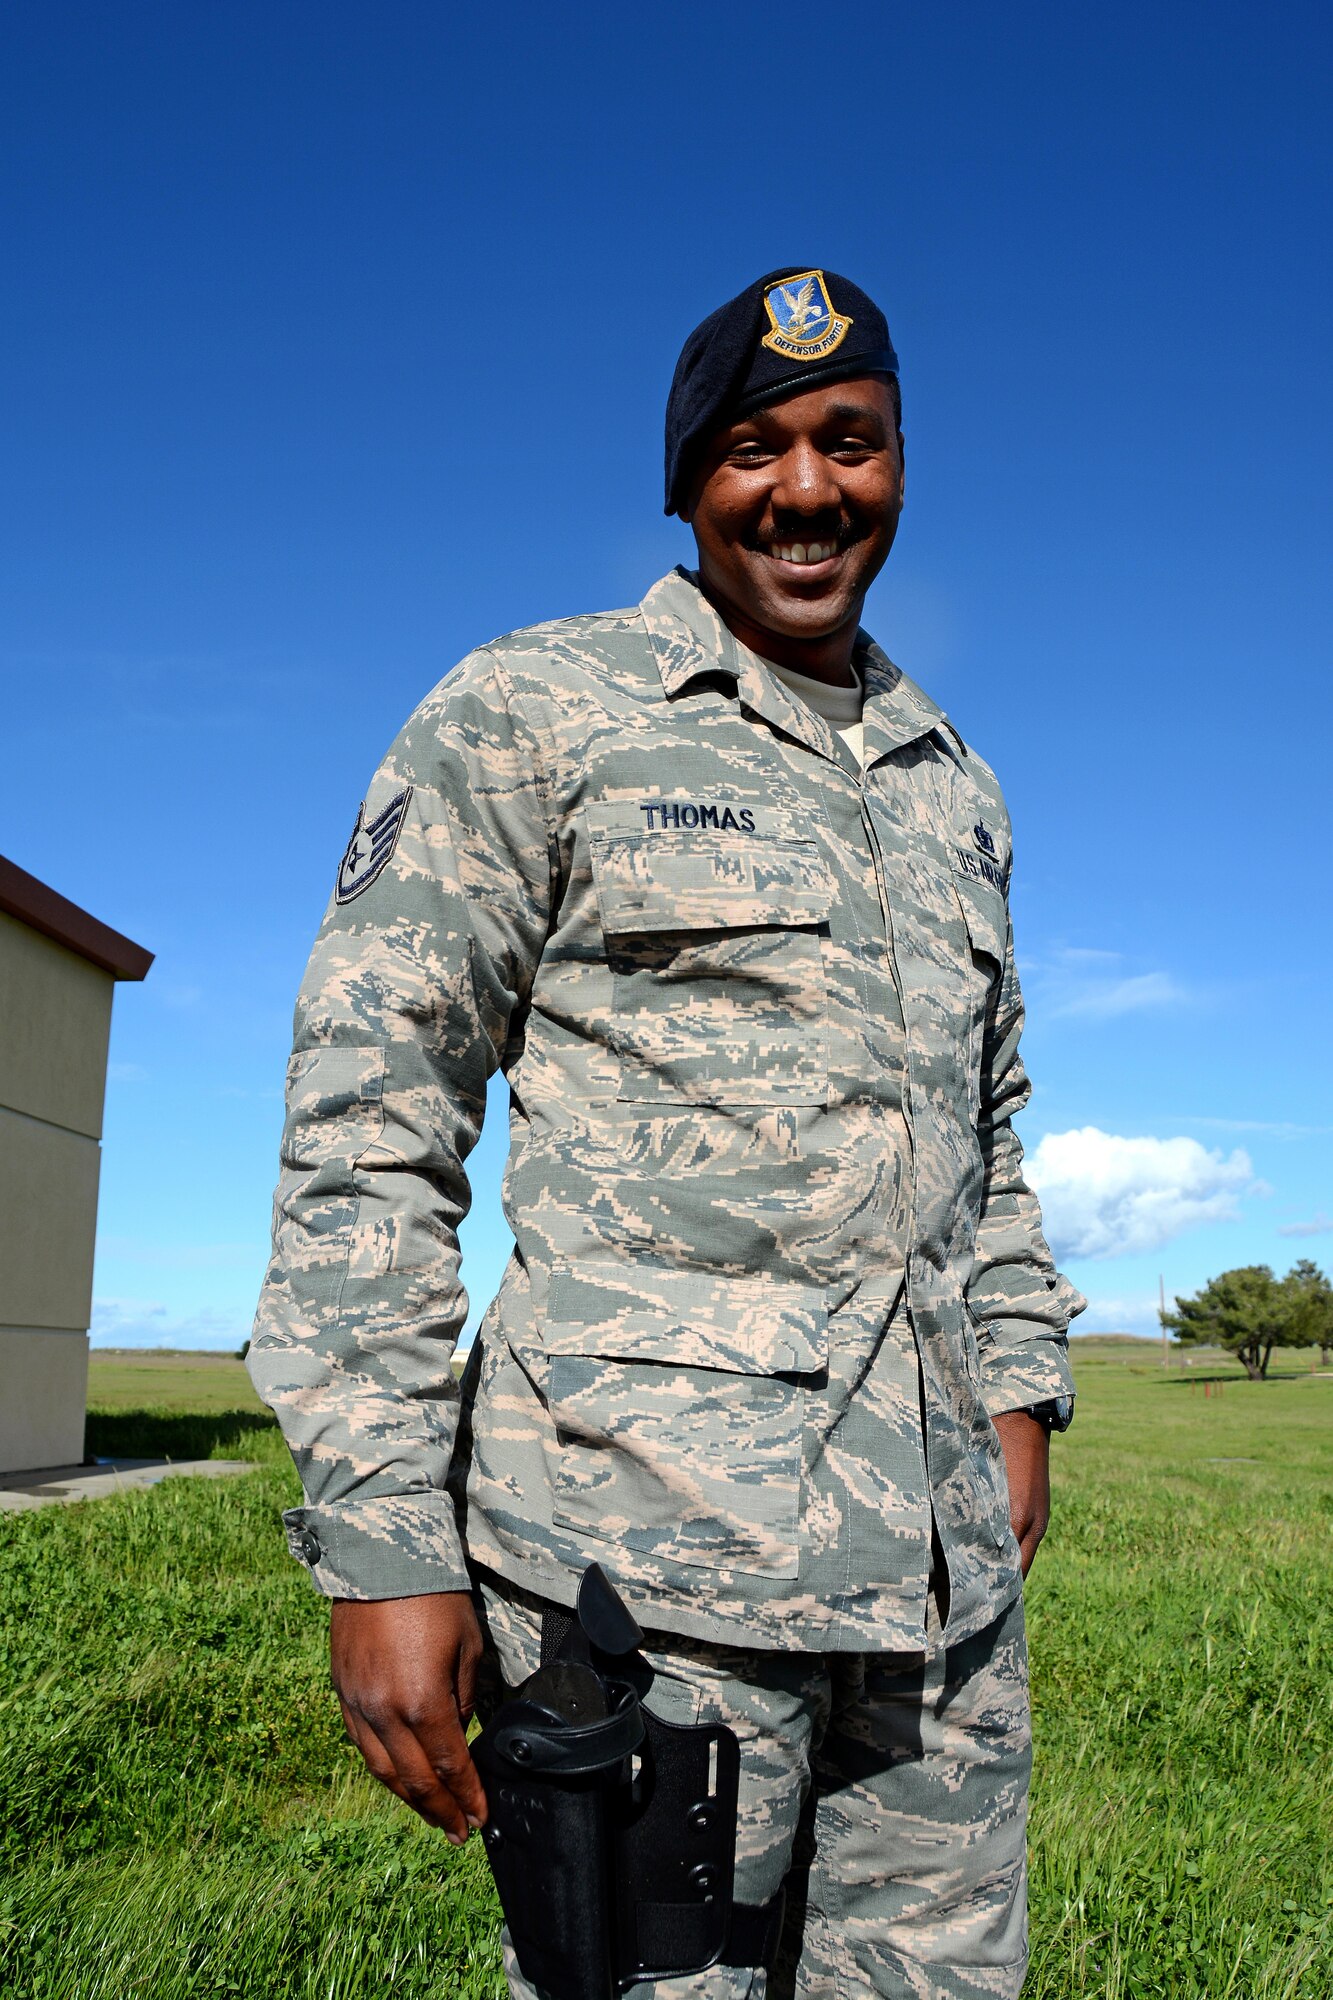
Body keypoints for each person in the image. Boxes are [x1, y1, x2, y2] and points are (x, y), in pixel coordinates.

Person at [248, 265, 1083, 2000]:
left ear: (899, 462)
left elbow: (984, 1143)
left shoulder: (953, 784)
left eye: (846, 441)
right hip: (643, 1585)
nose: (804, 488)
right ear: (685, 485)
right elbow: (368, 1126)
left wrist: (1017, 1386)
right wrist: (385, 1542)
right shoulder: (537, 712)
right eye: (751, 448)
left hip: (937, 1614)